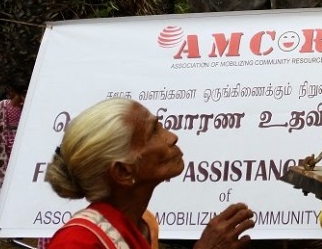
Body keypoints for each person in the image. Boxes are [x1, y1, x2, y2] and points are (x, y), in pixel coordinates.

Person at [45, 97, 255, 249]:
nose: (172, 137)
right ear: (123, 172)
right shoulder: (77, 242)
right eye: (153, 132)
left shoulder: (145, 225)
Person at [0, 76, 28, 201]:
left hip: (17, 143)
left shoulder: (26, 105)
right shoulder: (6, 104)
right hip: (14, 143)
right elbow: (0, 126)